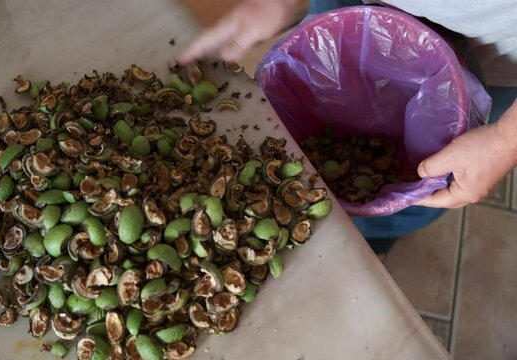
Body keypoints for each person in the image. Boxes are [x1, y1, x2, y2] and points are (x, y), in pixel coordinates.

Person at [178, 0, 517, 251]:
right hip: (347, 7)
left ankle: (381, 232)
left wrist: (505, 140)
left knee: (424, 191)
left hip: (494, 54)